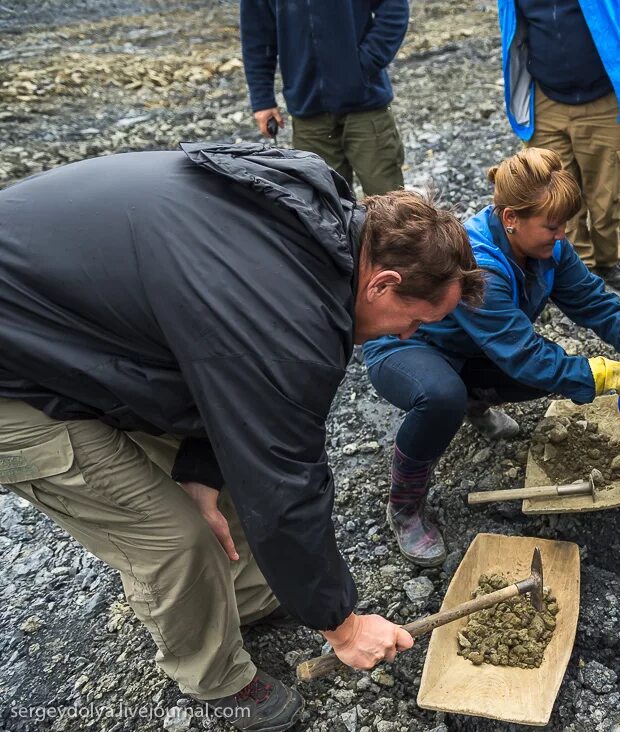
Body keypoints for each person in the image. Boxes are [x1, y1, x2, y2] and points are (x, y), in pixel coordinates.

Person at [0, 144, 482, 730]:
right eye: (415, 323)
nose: (409, 335)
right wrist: (343, 625)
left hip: (81, 331)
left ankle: (247, 597)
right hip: (16, 374)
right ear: (382, 283)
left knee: (218, 483)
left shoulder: (316, 226)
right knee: (174, 537)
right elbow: (282, 481)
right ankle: (213, 677)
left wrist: (200, 468)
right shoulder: (284, 314)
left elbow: (224, 377)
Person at [362, 148, 620, 566]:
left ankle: (473, 402)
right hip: (407, 345)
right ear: (511, 218)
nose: (562, 235)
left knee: (559, 373)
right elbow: (527, 356)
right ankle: (404, 506)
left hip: (476, 346)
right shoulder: (482, 268)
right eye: (552, 226)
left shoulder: (548, 248)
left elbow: (593, 302)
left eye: (564, 225)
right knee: (444, 397)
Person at [497, 0, 620, 289]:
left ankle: (607, 261)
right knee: (550, 189)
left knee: (608, 191)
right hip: (546, 96)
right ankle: (575, 265)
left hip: (610, 96)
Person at [241, 0, 409, 195]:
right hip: (308, 115)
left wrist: (363, 65)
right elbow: (257, 35)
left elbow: (394, 10)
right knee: (326, 210)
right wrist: (262, 100)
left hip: (366, 108)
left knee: (388, 204)